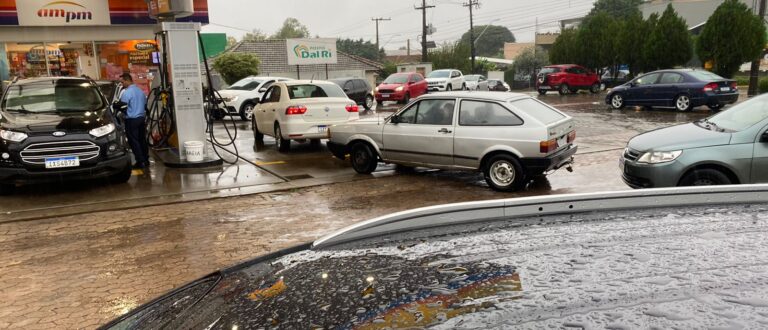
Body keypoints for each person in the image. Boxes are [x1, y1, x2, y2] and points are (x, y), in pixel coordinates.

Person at [119, 73, 150, 169]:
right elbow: (145, 105)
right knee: (142, 140)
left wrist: (118, 108)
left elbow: (122, 106)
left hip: (132, 120)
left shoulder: (127, 92)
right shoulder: (140, 91)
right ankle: (146, 159)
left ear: (127, 80)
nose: (122, 84)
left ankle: (140, 162)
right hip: (141, 119)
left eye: (122, 82)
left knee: (134, 141)